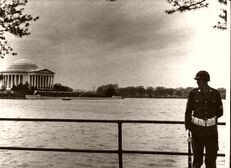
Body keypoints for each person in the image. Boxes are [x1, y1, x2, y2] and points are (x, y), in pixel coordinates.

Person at [185, 70, 223, 168]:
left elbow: (220, 112)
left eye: (199, 80)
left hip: (211, 132)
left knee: (211, 161)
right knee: (197, 161)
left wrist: (208, 121)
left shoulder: (215, 93)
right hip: (197, 132)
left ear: (205, 81)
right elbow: (188, 112)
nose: (197, 82)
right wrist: (188, 129)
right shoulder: (193, 93)